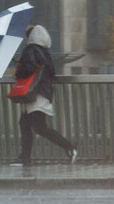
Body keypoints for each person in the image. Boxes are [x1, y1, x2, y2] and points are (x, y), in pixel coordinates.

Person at [10, 25, 77, 167]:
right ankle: (25, 159)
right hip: (42, 92)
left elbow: (28, 69)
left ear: (29, 37)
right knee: (25, 124)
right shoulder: (45, 52)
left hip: (34, 94)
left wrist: (17, 73)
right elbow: (51, 73)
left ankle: (70, 148)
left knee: (39, 127)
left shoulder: (29, 50)